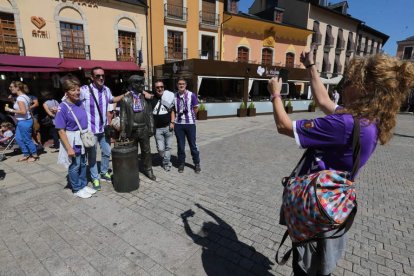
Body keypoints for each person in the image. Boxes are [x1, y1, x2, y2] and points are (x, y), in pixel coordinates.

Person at [267, 45, 414, 275]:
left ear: (366, 88)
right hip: (332, 209)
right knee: (318, 266)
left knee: (305, 267)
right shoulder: (367, 122)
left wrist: (275, 93)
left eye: (350, 80)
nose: (344, 85)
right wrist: (311, 66)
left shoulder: (345, 124)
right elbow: (324, 101)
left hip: (313, 211)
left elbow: (283, 126)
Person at [80, 67, 127, 190]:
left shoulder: (106, 90)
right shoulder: (84, 90)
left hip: (104, 129)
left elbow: (112, 99)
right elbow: (71, 100)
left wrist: (124, 95)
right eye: (98, 76)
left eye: (103, 76)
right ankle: (95, 178)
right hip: (90, 131)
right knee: (92, 156)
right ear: (92, 77)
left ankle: (104, 171)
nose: (101, 78)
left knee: (107, 152)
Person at [55, 76, 97, 199]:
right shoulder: (62, 107)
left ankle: (83, 185)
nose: (77, 92)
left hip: (82, 138)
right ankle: (76, 188)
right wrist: (69, 148)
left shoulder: (79, 102)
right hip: (72, 139)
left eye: (78, 89)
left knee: (83, 163)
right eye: (73, 90)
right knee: (75, 165)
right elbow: (61, 131)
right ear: (66, 92)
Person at [119, 75, 156, 181]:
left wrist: (151, 127)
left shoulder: (145, 98)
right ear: (133, 85)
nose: (142, 85)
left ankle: (148, 169)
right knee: (132, 152)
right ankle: (133, 170)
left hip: (144, 128)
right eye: (139, 83)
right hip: (132, 130)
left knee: (147, 151)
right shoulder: (125, 99)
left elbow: (149, 114)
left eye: (142, 82)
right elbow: (123, 117)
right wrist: (122, 130)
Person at [143, 80, 175, 171]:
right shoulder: (152, 97)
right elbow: (140, 90)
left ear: (164, 88)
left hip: (168, 127)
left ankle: (166, 163)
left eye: (161, 87)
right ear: (154, 88)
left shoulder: (168, 97)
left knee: (168, 147)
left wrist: (172, 122)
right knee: (161, 149)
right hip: (157, 129)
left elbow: (172, 111)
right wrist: (145, 93)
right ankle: (165, 158)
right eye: (157, 87)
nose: (160, 89)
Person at [172, 77, 201, 173]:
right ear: (177, 85)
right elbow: (172, 109)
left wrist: (191, 116)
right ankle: (181, 163)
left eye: (183, 84)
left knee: (193, 145)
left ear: (186, 85)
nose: (181, 85)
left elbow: (196, 108)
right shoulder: (174, 96)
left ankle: (196, 163)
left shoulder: (191, 95)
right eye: (179, 84)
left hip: (190, 124)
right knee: (180, 145)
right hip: (178, 124)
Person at [5, 81, 39, 162]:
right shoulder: (24, 96)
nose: (10, 88)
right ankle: (26, 154)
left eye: (11, 87)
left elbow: (23, 111)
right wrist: (12, 101)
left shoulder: (20, 98)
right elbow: (22, 108)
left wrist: (9, 109)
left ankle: (34, 155)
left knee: (27, 139)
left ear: (17, 88)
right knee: (18, 138)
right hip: (22, 121)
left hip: (24, 122)